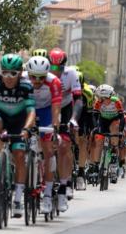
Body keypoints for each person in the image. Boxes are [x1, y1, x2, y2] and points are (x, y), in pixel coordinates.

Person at [0, 54, 35, 218]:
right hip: (0, 117)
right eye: (5, 72)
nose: (8, 77)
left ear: (19, 73)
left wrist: (26, 128)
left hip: (19, 121)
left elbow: (31, 111)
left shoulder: (26, 86)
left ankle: (18, 198)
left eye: (13, 73)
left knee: (19, 155)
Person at [22, 56, 62, 214]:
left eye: (41, 78)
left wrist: (54, 126)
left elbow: (56, 106)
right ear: (28, 73)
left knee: (47, 149)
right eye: (33, 77)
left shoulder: (54, 82)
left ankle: (47, 195)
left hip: (46, 111)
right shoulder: (22, 79)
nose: (37, 81)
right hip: (27, 110)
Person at [47, 48, 82, 208]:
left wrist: (74, 119)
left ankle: (64, 183)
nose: (56, 72)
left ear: (64, 67)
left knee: (65, 145)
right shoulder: (43, 74)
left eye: (59, 68)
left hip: (66, 106)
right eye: (52, 68)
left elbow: (79, 100)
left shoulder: (71, 74)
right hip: (48, 106)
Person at [91, 84, 124, 177]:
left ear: (106, 96)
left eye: (100, 97)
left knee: (115, 128)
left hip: (114, 120)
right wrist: (95, 127)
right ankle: (96, 166)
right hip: (103, 121)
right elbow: (94, 116)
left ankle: (114, 152)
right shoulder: (98, 103)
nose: (98, 98)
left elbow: (122, 117)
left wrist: (120, 131)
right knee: (99, 141)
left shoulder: (116, 102)